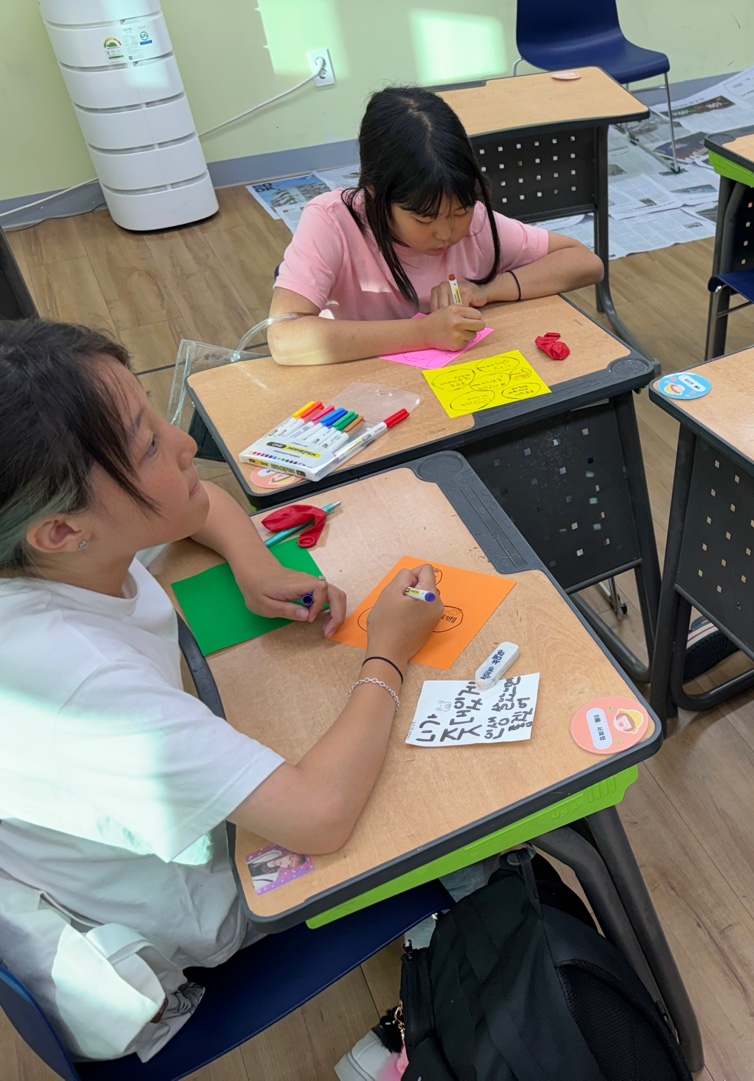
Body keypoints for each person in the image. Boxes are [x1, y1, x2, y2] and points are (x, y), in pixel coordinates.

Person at [0, 319, 444, 1056]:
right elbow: (318, 816)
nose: (183, 443)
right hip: (207, 902)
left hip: (159, 819)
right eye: (147, 445)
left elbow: (199, 501)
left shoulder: (47, 549)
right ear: (62, 529)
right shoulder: (75, 683)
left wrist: (255, 564)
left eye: (153, 417)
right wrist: (389, 651)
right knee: (466, 803)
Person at [268, 86, 604, 365]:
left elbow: (585, 263)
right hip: (361, 386)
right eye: (424, 219)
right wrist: (424, 333)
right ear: (375, 196)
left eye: (460, 212)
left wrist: (486, 290)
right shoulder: (333, 222)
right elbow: (283, 338)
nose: (446, 234)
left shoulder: (476, 226)